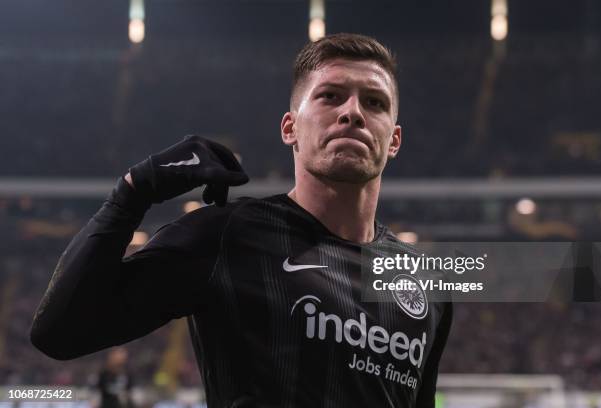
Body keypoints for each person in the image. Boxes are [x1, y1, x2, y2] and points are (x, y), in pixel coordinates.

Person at [31, 33, 452, 407]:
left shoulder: (423, 285)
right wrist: (131, 194)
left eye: (374, 102)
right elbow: (60, 332)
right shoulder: (225, 237)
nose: (352, 112)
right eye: (330, 96)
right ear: (290, 128)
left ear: (393, 139)